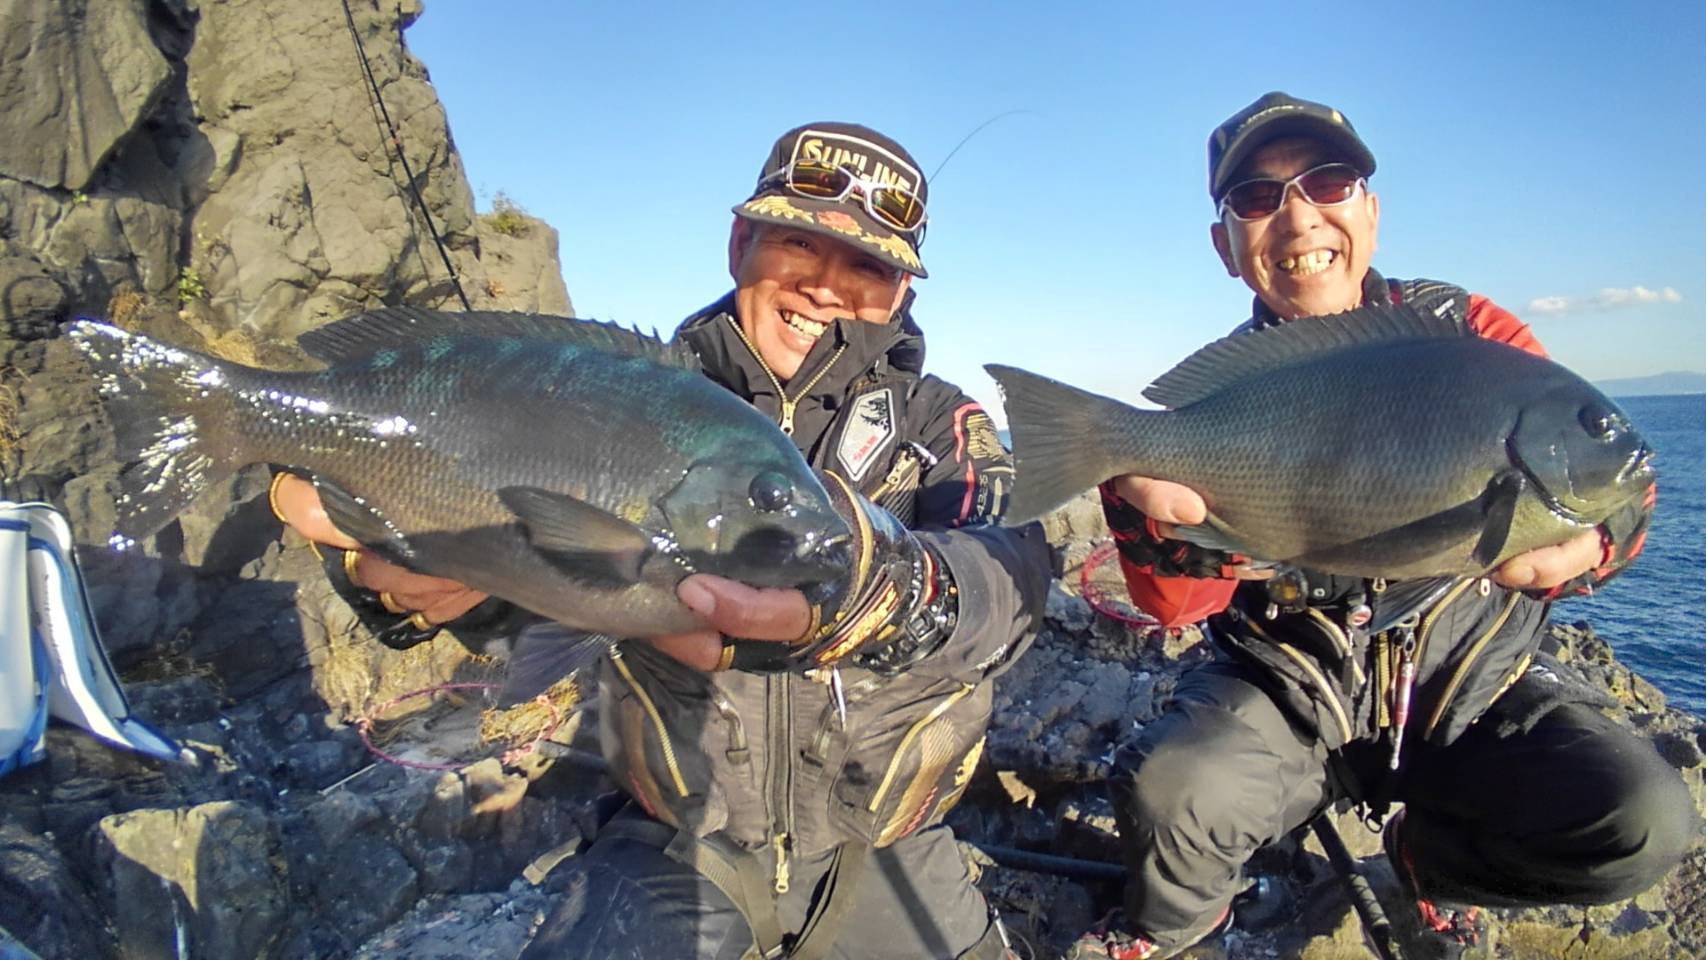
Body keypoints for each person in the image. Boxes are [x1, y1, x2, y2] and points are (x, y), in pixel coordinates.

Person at [273, 121, 1051, 959]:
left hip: (890, 842)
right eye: (798, 243)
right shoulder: (628, 395)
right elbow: (529, 596)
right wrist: (409, 586)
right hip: (679, 841)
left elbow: (1012, 577)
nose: (826, 286)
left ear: (899, 293)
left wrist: (884, 586)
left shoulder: (945, 428)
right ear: (740, 242)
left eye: (868, 265)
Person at [1068, 92, 1694, 960]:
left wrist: (1594, 544)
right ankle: (1174, 927)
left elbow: (1626, 493)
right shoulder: (1225, 403)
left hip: (1465, 688)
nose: (1297, 216)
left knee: (1643, 820)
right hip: (1290, 692)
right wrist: (1154, 514)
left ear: (1370, 208)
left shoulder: (1476, 339)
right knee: (1174, 790)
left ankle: (1424, 861)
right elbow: (1175, 606)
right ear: (1226, 246)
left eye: (1328, 180)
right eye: (1256, 196)